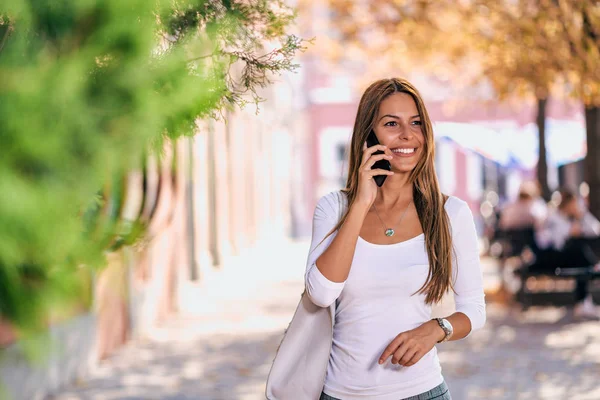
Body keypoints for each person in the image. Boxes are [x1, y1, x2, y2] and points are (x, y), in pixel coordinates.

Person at [304, 78, 486, 400]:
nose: (407, 135)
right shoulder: (335, 209)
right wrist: (360, 203)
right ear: (369, 135)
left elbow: (474, 309)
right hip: (341, 394)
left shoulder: (450, 214)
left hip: (422, 392)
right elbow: (320, 293)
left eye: (415, 123)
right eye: (391, 123)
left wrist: (436, 329)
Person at [534, 188, 600, 318]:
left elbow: (596, 230)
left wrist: (583, 215)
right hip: (550, 257)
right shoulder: (553, 218)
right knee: (579, 250)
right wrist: (569, 231)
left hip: (567, 257)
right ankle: (594, 269)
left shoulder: (574, 218)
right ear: (567, 204)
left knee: (580, 258)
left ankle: (584, 302)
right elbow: (551, 242)